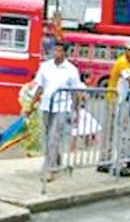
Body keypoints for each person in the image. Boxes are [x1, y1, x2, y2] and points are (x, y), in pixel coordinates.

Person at [33, 42, 84, 182]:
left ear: (65, 53)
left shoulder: (71, 70)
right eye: (55, 50)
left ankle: (50, 168)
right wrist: (31, 105)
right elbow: (40, 86)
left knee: (54, 137)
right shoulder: (45, 66)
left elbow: (76, 92)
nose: (56, 53)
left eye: (60, 51)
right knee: (47, 136)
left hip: (62, 106)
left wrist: (77, 112)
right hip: (46, 105)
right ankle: (56, 161)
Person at [97, 40, 130, 177]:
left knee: (116, 130)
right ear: (126, 50)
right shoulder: (123, 62)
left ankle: (107, 159)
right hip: (115, 99)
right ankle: (116, 162)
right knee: (119, 131)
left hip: (121, 99)